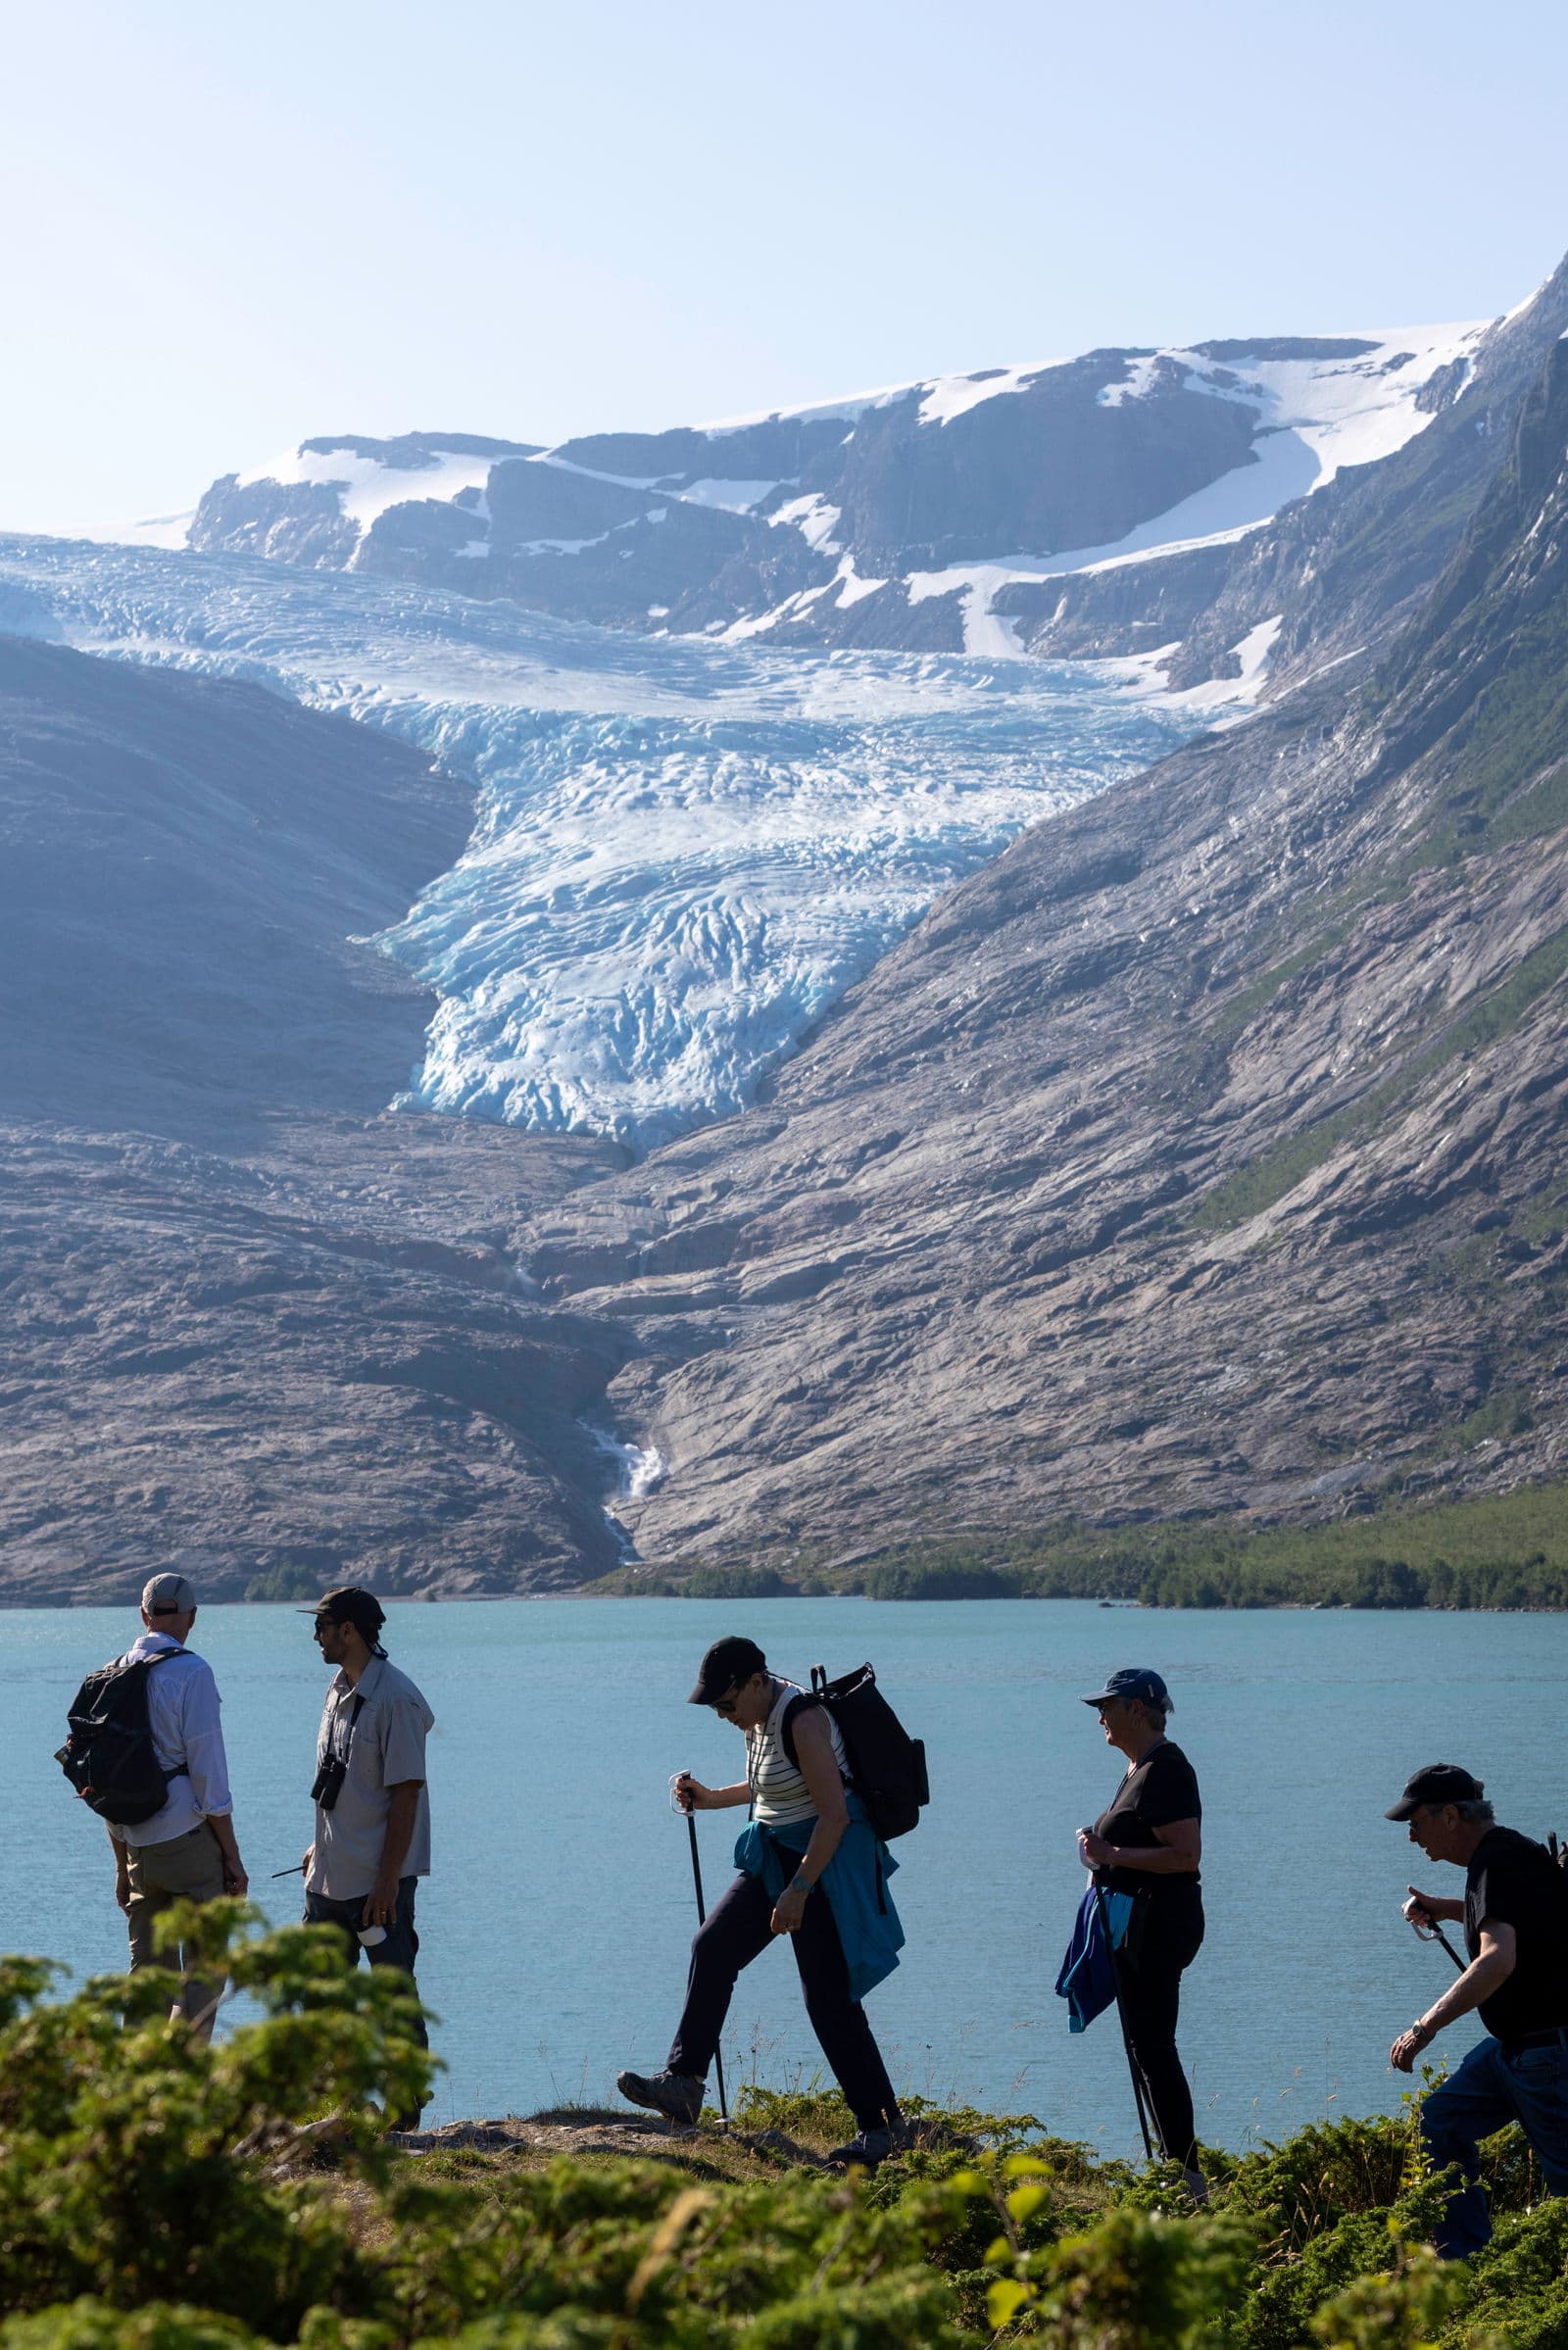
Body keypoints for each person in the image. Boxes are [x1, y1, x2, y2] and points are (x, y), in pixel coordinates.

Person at [617, 1635, 909, 2168]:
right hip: (775, 1853)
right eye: (714, 1708)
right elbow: (769, 1787)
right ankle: (684, 2084)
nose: (721, 1715)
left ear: (756, 1682)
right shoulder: (757, 1719)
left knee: (828, 2000)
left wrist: (799, 1891)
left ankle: (883, 2129)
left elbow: (834, 1816)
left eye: (725, 1703)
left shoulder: (804, 1720)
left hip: (823, 1863)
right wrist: (710, 1799)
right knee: (713, 1946)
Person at [1388, 1762, 1568, 2259]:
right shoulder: (1505, 1854)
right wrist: (1448, 1908)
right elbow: (1515, 1914)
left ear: (1450, 1816)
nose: (1411, 1836)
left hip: (1545, 2052)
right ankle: (1466, 2266)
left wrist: (1426, 2027)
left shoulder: (1495, 1862)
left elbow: (1497, 1958)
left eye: (1415, 1822)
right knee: (1440, 2121)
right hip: (1517, 2050)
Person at [300, 1586, 434, 2120]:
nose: (316, 1636)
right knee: (321, 1998)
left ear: (349, 1630)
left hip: (378, 1885)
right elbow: (344, 1781)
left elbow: (405, 1795)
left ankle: (405, 2117)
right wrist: (320, 1843)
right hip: (330, 1876)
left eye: (323, 1626)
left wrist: (387, 1883)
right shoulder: (337, 1689)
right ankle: (343, 2109)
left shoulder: (396, 1699)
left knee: (393, 2000)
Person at [1075, 1667, 1205, 2197]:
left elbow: (1186, 1855)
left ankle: (1186, 2177)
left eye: (1107, 1706)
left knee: (1153, 2047)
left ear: (1137, 1709)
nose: (1100, 1716)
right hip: (1139, 1924)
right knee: (1146, 2047)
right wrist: (1100, 1853)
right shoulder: (1140, 1768)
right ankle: (1177, 2171)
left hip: (1157, 1926)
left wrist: (1109, 1854)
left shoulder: (1166, 1769)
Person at [107, 1572, 247, 2037]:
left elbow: (102, 1783)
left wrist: (121, 1863)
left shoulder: (113, 1673)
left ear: (144, 1615)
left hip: (138, 1849)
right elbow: (209, 1775)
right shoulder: (193, 1673)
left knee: (149, 1974)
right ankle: (184, 2078)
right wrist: (231, 1855)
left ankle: (134, 2088)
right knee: (204, 1969)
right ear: (191, 1617)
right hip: (187, 1844)